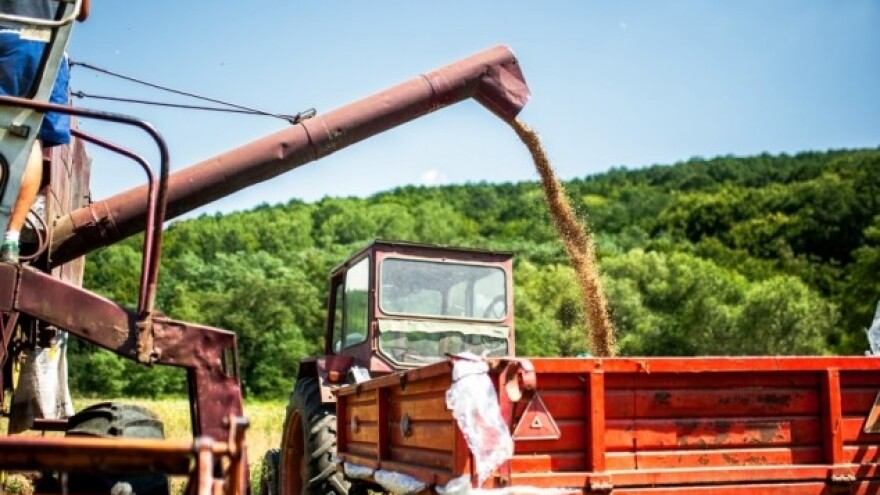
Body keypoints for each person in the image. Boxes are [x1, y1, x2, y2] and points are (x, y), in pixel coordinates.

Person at [0, 0, 89, 263]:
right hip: (49, 53)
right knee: (31, 137)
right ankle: (11, 238)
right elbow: (82, 13)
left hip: (6, 38)